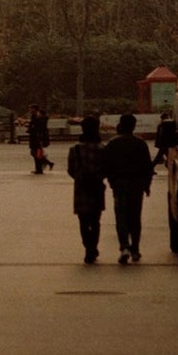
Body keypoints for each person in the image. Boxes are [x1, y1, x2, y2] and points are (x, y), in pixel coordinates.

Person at [101, 112, 154, 264]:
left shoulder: (112, 143)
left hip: (119, 184)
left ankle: (124, 246)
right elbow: (147, 167)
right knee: (135, 218)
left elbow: (107, 165)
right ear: (134, 126)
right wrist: (147, 185)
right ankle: (135, 249)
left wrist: (111, 181)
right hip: (137, 185)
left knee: (121, 217)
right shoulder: (140, 143)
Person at [67, 114, 109, 263]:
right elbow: (106, 169)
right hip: (97, 188)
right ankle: (93, 247)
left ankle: (88, 248)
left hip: (81, 189)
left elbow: (71, 170)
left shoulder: (75, 149)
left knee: (83, 221)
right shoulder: (103, 149)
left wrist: (81, 178)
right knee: (95, 221)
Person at [27, 107, 54, 173]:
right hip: (37, 137)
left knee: (36, 153)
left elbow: (37, 128)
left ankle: (40, 168)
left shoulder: (41, 120)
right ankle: (43, 165)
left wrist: (31, 128)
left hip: (37, 138)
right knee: (36, 153)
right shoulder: (39, 119)